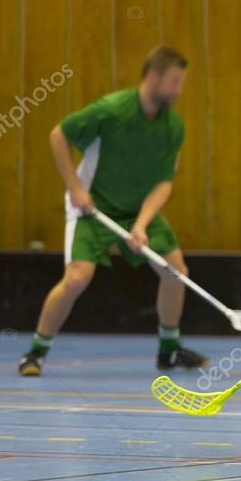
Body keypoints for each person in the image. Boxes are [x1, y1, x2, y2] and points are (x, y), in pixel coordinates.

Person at [19, 46, 206, 376]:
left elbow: (164, 183)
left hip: (136, 211)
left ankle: (168, 352)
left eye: (181, 83)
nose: (178, 91)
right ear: (153, 76)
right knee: (77, 277)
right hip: (93, 207)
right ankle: (35, 353)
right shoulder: (111, 110)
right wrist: (75, 188)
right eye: (174, 82)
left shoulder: (172, 125)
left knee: (176, 271)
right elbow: (58, 135)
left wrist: (142, 225)